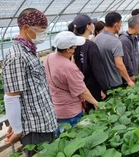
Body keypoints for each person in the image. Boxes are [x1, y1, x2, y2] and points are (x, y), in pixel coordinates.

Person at [2, 8, 57, 157]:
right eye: (41, 30)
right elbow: (11, 96)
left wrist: (15, 124)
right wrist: (18, 130)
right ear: (26, 28)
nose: (43, 34)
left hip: (44, 124)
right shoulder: (17, 56)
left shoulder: (29, 51)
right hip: (35, 130)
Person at [44, 31, 99, 131]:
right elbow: (82, 90)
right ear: (68, 49)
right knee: (73, 137)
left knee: (62, 139)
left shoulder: (48, 58)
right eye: (74, 47)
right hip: (70, 111)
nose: (75, 49)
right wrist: (96, 103)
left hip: (55, 107)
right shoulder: (69, 67)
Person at [72, 14, 109, 110]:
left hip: (82, 87)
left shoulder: (73, 44)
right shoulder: (90, 45)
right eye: (91, 23)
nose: (93, 25)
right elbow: (97, 69)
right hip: (94, 87)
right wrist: (104, 88)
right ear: (88, 27)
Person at [94, 12, 135, 88]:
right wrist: (129, 80)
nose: (121, 26)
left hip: (102, 81)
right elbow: (119, 64)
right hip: (115, 82)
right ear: (116, 25)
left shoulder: (97, 38)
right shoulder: (115, 41)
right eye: (120, 23)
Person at [119, 16, 139, 83]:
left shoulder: (134, 38)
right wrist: (131, 75)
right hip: (129, 77)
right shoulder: (124, 40)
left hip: (135, 73)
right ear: (137, 27)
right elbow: (126, 60)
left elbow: (137, 55)